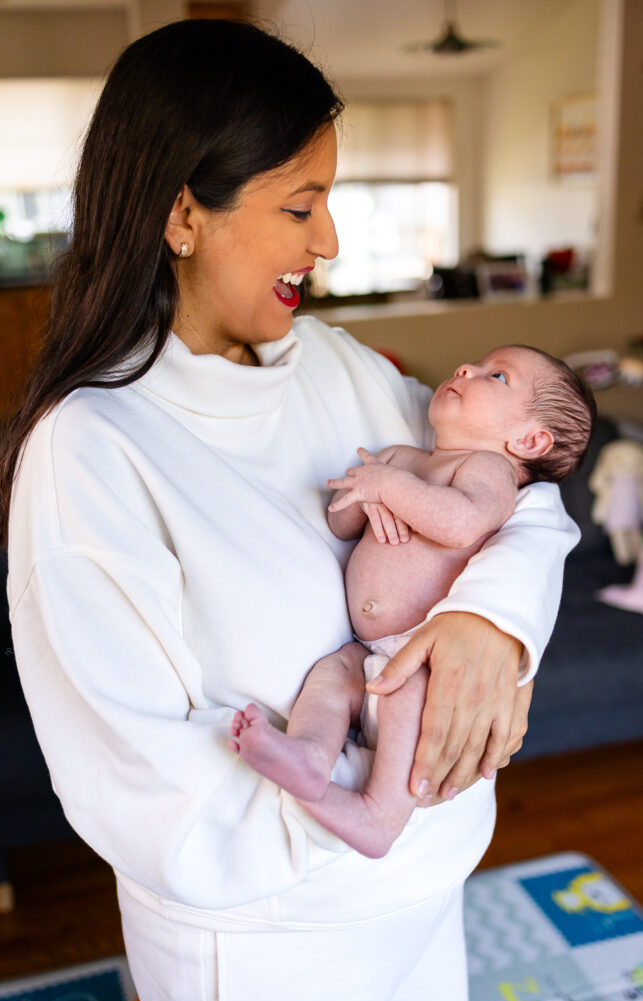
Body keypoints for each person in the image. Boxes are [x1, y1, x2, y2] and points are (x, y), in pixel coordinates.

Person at [0, 19, 581, 1001]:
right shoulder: (94, 448)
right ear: (182, 214)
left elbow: (522, 495)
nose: (330, 241)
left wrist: (496, 626)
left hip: (429, 889)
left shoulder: (340, 367)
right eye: (300, 205)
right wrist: (345, 835)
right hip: (282, 943)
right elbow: (136, 772)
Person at [230, 345, 596, 858]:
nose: (466, 367)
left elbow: (461, 522)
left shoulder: (487, 471)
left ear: (529, 440)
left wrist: (392, 487)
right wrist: (366, 494)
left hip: (420, 650)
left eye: (498, 376)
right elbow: (340, 521)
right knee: (331, 678)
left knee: (408, 696)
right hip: (366, 645)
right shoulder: (405, 458)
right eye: (475, 362)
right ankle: (312, 753)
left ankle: (381, 814)